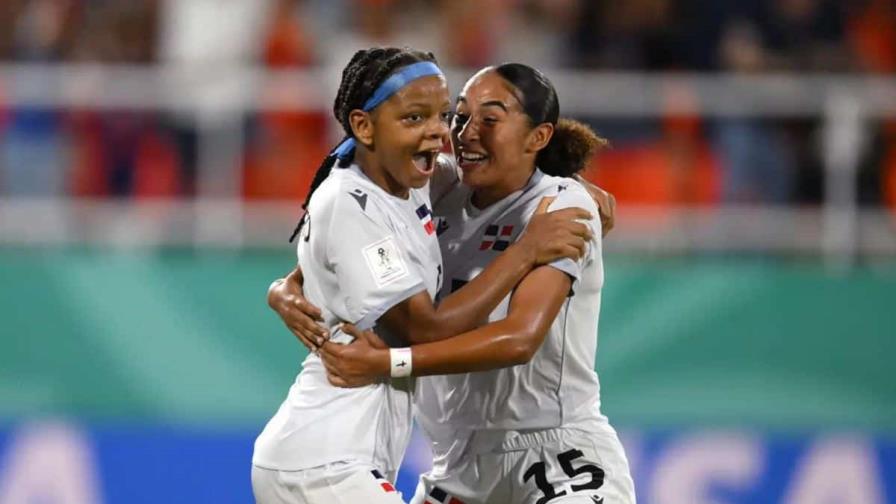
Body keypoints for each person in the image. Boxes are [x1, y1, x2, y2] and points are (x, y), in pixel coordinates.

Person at [273, 63, 636, 504]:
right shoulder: (441, 186)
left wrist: (390, 362)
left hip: (554, 454)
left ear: (537, 137)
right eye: (460, 116)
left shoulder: (560, 207)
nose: (464, 132)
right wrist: (285, 289)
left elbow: (520, 339)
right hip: (458, 467)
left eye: (490, 119)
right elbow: (344, 239)